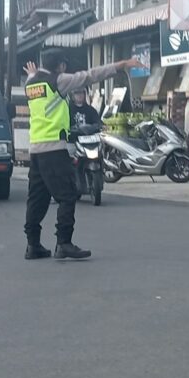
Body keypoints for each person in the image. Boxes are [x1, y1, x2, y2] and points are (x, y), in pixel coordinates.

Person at [22, 54, 144, 260]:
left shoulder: (30, 84)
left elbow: (35, 79)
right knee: (68, 195)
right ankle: (64, 243)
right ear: (60, 66)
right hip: (54, 147)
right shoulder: (58, 81)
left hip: (35, 150)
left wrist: (34, 73)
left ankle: (32, 245)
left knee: (37, 199)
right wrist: (121, 65)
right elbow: (90, 76)